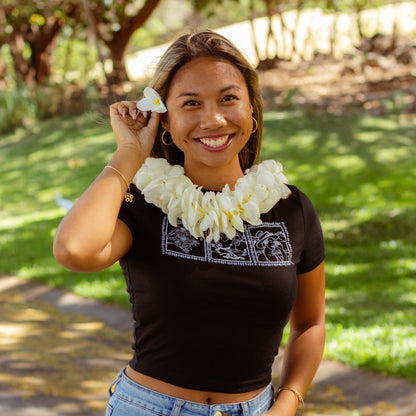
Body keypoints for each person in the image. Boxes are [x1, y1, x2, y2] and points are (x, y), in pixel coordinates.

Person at [53, 29, 325, 416]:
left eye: (229, 98)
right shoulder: (143, 201)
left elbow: (311, 324)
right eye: (191, 103)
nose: (212, 119)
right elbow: (74, 249)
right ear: (165, 120)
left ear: (251, 107)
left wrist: (286, 403)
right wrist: (129, 153)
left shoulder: (290, 207)